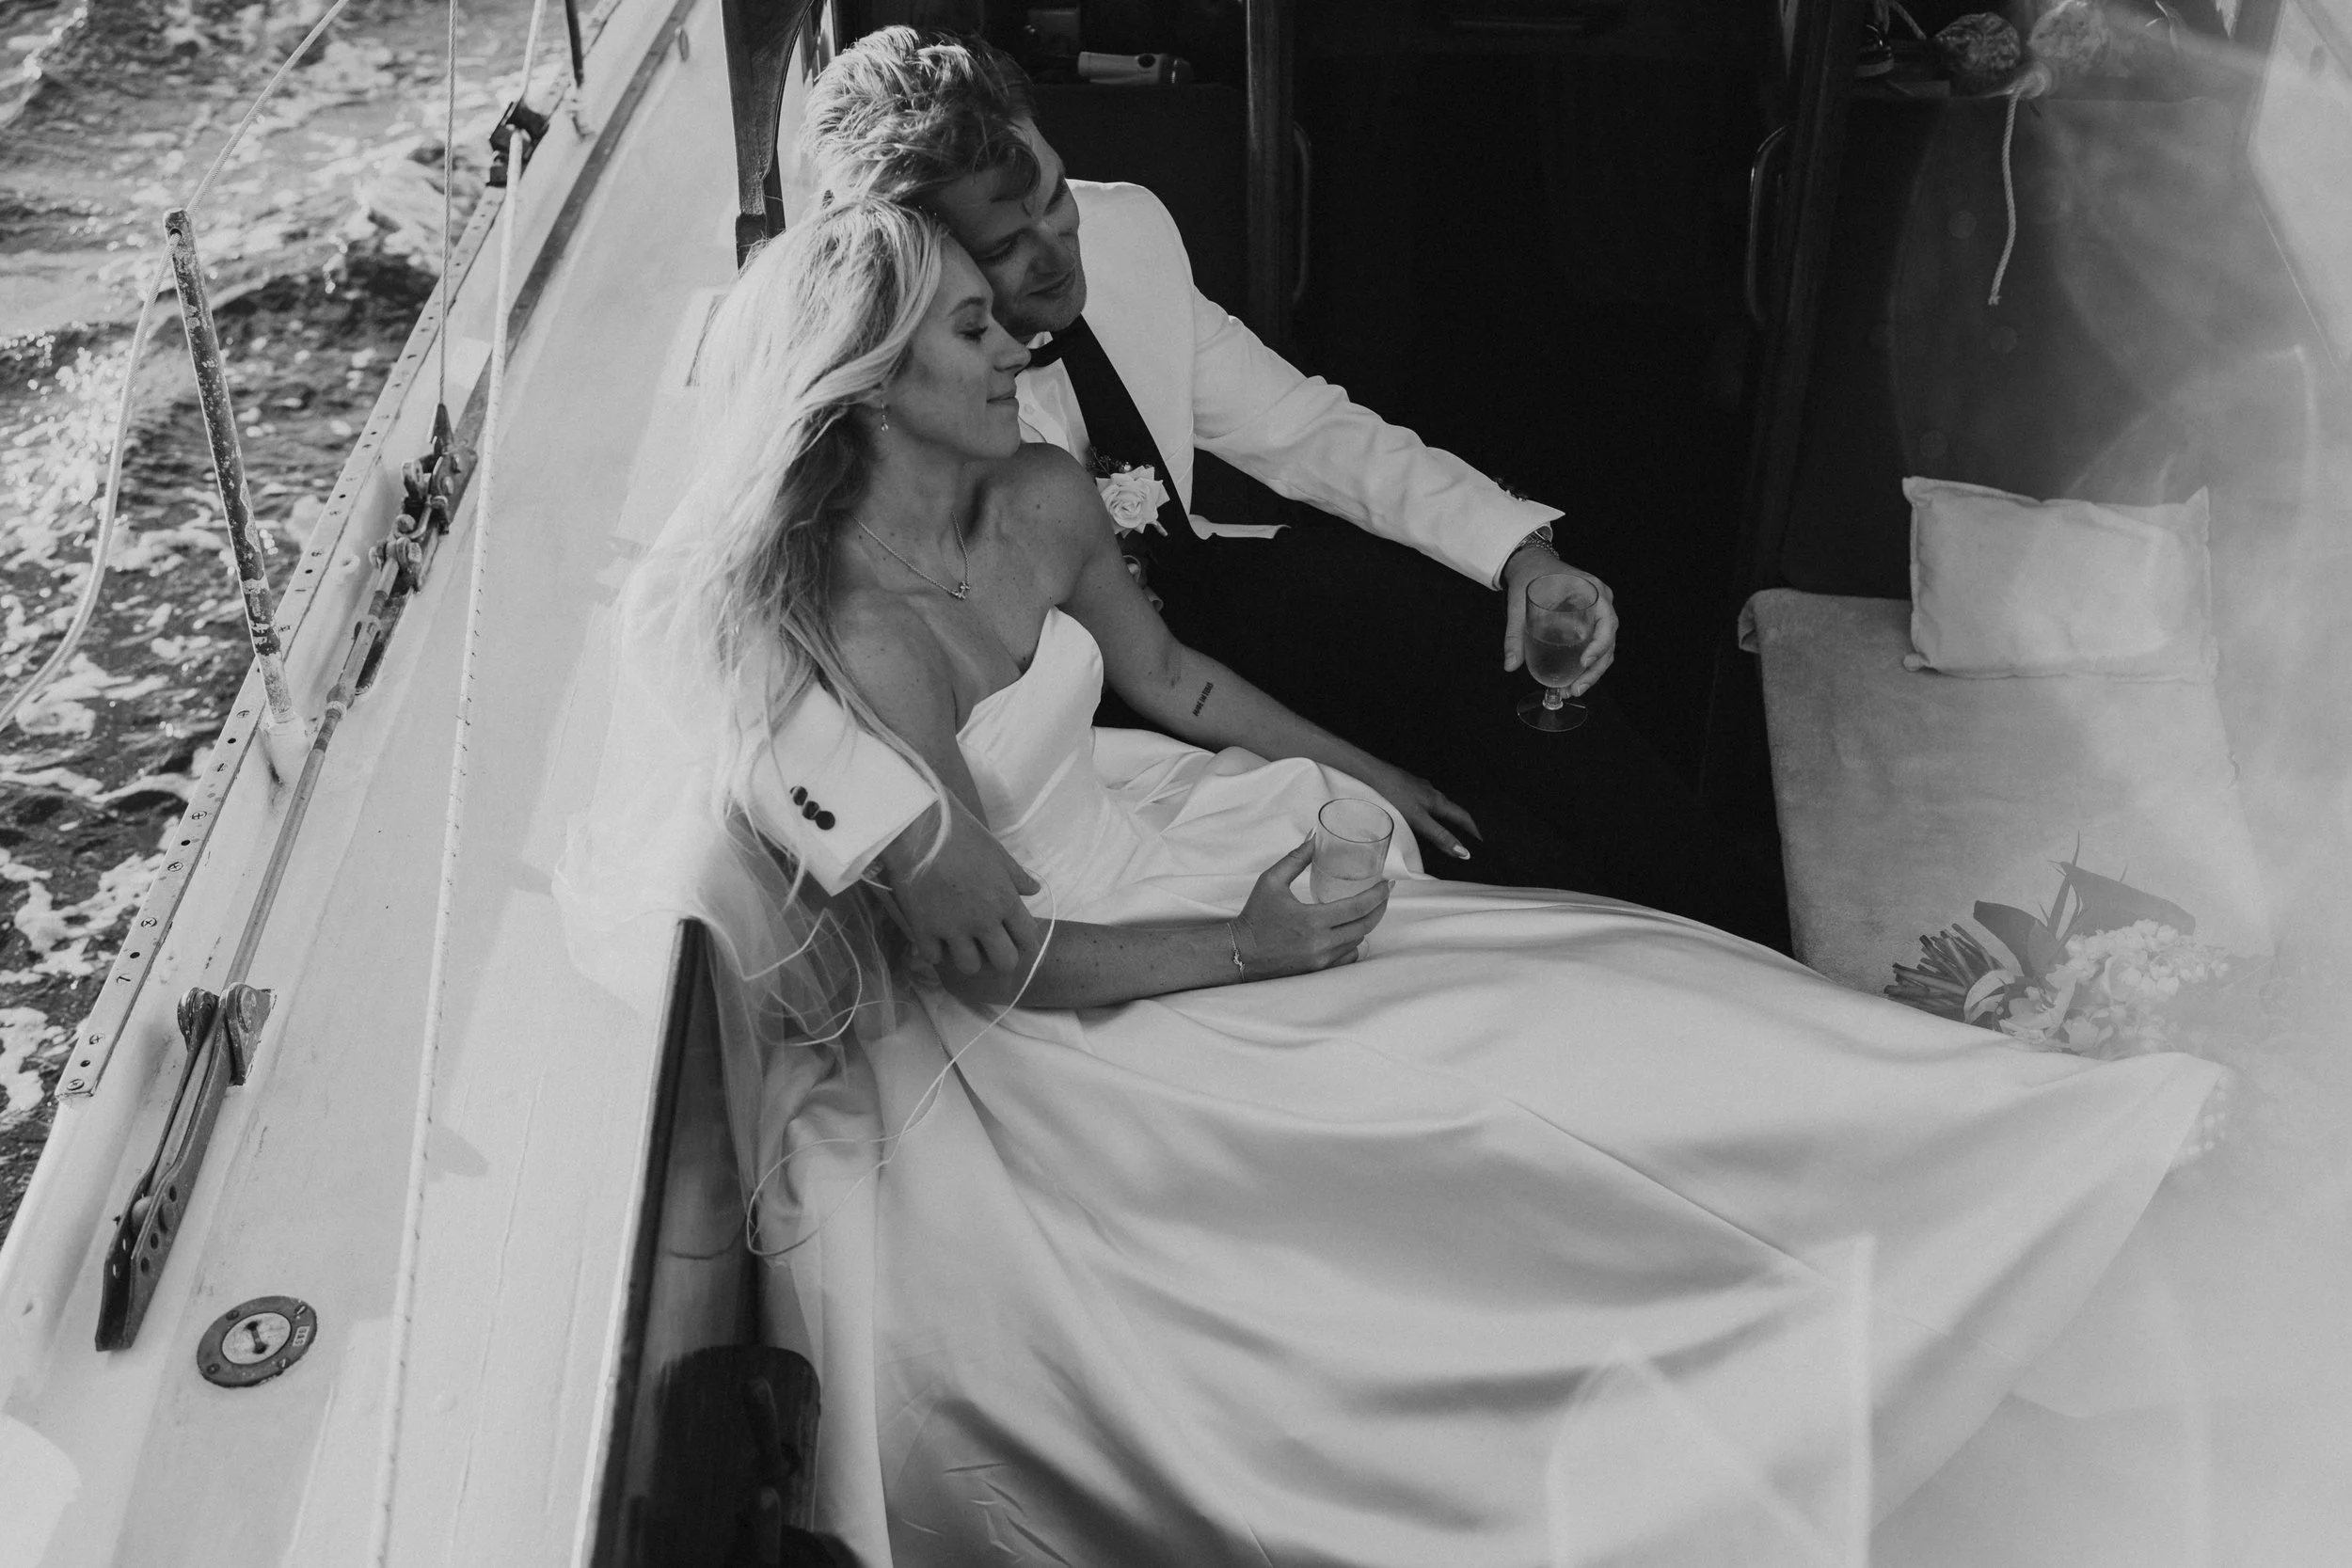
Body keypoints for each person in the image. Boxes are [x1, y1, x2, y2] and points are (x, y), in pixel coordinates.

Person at [558, 200, 2225, 1568]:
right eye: (975, 331)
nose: (1019, 344)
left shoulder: (1044, 495)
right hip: (1079, 1010)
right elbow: (1004, 966)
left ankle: (2000, 1162)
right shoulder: (859, 653)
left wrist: (1371, 775)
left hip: (1170, 841)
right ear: (868, 387)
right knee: (1464, 1147)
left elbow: (1177, 681)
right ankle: (1742, 1392)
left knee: (1622, 995)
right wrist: (1249, 941)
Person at [744, 26, 1779, 984]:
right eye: (1006, 245)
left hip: (1194, 614)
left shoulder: (1129, 231)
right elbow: (791, 633)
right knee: (1486, 854)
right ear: (907, 267)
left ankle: (1740, 918)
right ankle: (1586, 955)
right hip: (1084, 708)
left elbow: (1304, 425)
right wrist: (915, 832)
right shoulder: (890, 419)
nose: (1057, 248)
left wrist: (1521, 554)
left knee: (1460, 638)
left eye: (1053, 196)